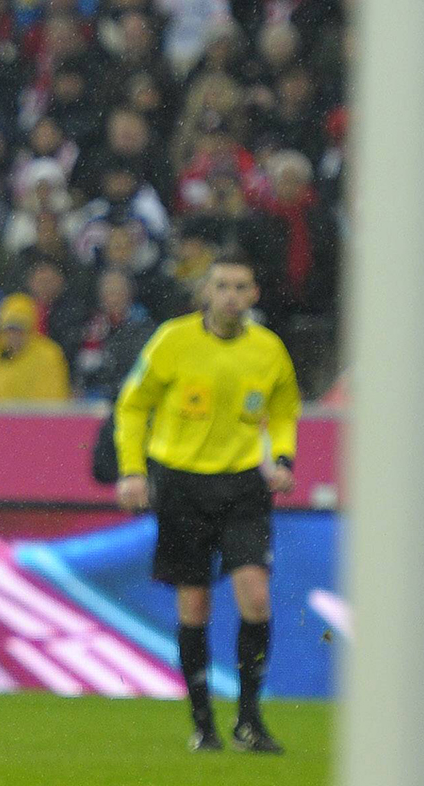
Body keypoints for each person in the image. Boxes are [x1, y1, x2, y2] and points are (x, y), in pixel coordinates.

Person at [112, 253, 299, 754]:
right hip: (181, 486)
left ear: (254, 294)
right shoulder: (173, 341)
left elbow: (283, 411)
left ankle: (249, 719)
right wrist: (132, 470)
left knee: (255, 598)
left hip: (243, 486)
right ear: (206, 293)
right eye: (222, 286)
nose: (231, 296)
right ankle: (203, 722)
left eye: (241, 286)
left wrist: (282, 457)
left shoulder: (269, 350)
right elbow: (133, 405)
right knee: (194, 605)